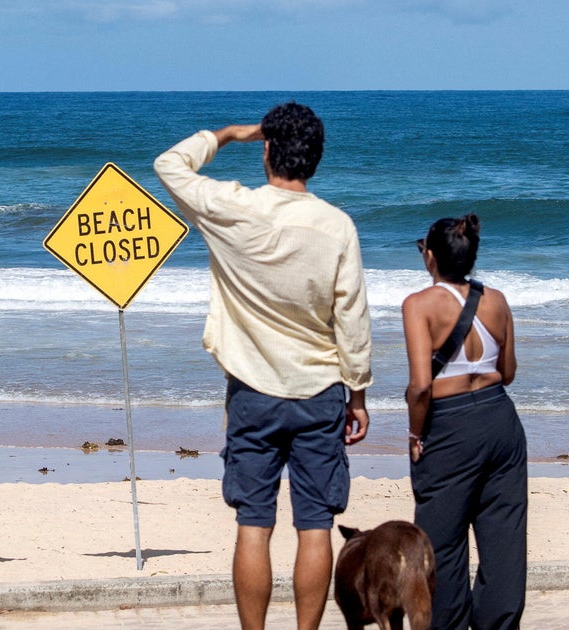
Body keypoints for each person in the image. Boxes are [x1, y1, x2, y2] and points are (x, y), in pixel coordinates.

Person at [154, 102, 372, 630]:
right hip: (320, 391)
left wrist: (228, 134)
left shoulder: (232, 208)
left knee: (254, 524)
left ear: (268, 149)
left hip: (251, 390)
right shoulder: (336, 225)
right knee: (315, 525)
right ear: (316, 158)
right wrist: (359, 393)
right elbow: (353, 318)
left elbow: (169, 165)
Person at [403, 215, 526, 629]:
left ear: (431, 257)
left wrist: (415, 434)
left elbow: (420, 387)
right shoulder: (497, 300)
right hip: (500, 419)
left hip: (450, 426)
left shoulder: (419, 304)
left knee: (442, 544)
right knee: (504, 539)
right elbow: (508, 372)